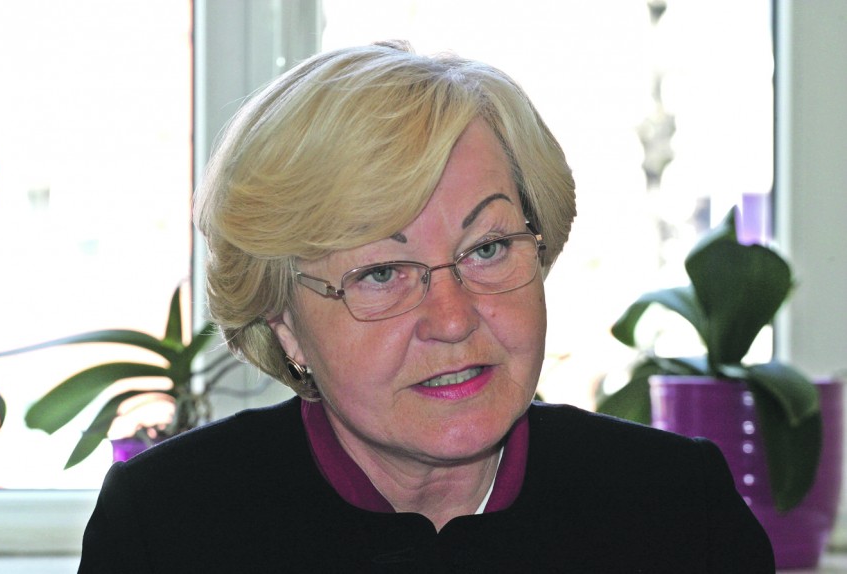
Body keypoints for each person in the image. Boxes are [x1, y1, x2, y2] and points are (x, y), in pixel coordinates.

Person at [78, 41, 774, 572]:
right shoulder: (168, 525)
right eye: (381, 273)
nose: (453, 319)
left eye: (488, 248)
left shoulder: (676, 510)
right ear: (283, 323)